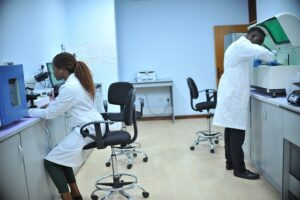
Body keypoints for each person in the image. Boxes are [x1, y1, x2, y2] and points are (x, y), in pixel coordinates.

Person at [28, 52, 103, 200]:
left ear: (62, 69)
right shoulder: (78, 81)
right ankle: (75, 194)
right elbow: (61, 106)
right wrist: (53, 105)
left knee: (50, 162)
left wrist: (28, 111)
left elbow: (50, 114)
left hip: (87, 129)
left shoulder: (69, 87)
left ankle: (66, 196)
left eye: (54, 69)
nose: (53, 72)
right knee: (61, 156)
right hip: (94, 126)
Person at [213, 27, 275, 180]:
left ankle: (230, 163)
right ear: (253, 36)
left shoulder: (236, 46)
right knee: (237, 134)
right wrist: (274, 56)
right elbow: (267, 55)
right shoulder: (242, 45)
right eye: (259, 41)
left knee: (230, 129)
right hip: (234, 93)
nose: (260, 44)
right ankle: (239, 169)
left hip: (230, 90)